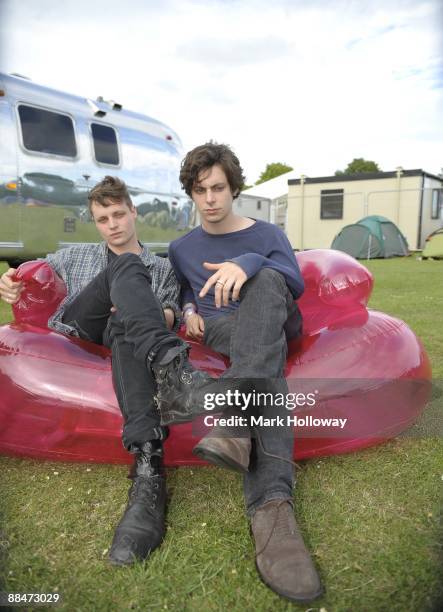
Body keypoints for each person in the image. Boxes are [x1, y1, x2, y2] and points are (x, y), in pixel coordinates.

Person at [0, 176, 222, 567]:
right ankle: (173, 365)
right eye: (103, 219)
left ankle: (148, 467)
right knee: (126, 267)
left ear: (133, 212)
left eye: (119, 214)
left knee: (127, 316)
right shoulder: (75, 256)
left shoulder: (164, 268)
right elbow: (36, 271)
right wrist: (12, 281)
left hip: (127, 336)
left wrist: (144, 316)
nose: (113, 224)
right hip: (81, 333)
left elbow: (170, 312)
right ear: (95, 222)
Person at [168, 142, 322, 603]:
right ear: (191, 194)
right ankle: (272, 507)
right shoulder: (181, 248)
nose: (210, 198)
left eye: (218, 187)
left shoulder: (268, 233)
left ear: (234, 188)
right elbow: (179, 293)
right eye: (200, 190)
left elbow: (292, 281)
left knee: (269, 280)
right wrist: (189, 307)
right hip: (221, 328)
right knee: (263, 363)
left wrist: (247, 263)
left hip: (274, 313)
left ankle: (233, 420)